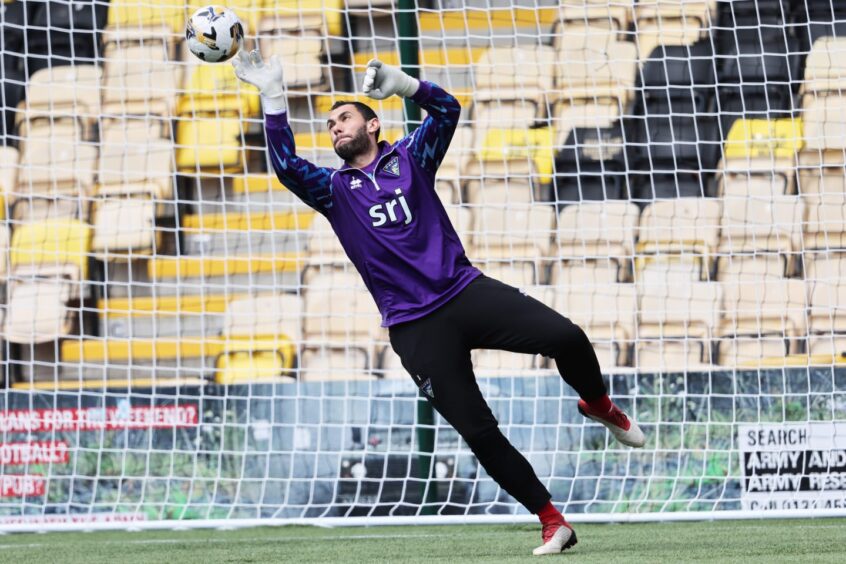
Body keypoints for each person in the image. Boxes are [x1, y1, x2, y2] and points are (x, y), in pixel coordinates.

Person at [232, 49, 645, 556]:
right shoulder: (334, 190)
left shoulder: (409, 156)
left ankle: (599, 405)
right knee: (480, 431)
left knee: (568, 337)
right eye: (329, 124)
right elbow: (286, 167)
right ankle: (552, 520)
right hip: (415, 328)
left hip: (464, 292)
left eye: (344, 118)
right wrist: (273, 97)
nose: (335, 128)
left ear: (373, 124)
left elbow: (448, 109)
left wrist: (404, 83)